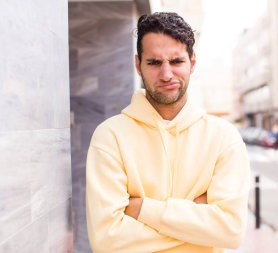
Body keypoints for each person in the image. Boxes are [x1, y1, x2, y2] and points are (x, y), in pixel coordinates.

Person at [86, 12, 250, 253]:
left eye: (176, 61)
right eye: (154, 62)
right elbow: (106, 240)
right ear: (138, 65)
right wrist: (198, 226)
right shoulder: (110, 136)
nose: (166, 74)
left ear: (192, 63)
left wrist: (141, 209)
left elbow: (231, 230)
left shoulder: (224, 138)